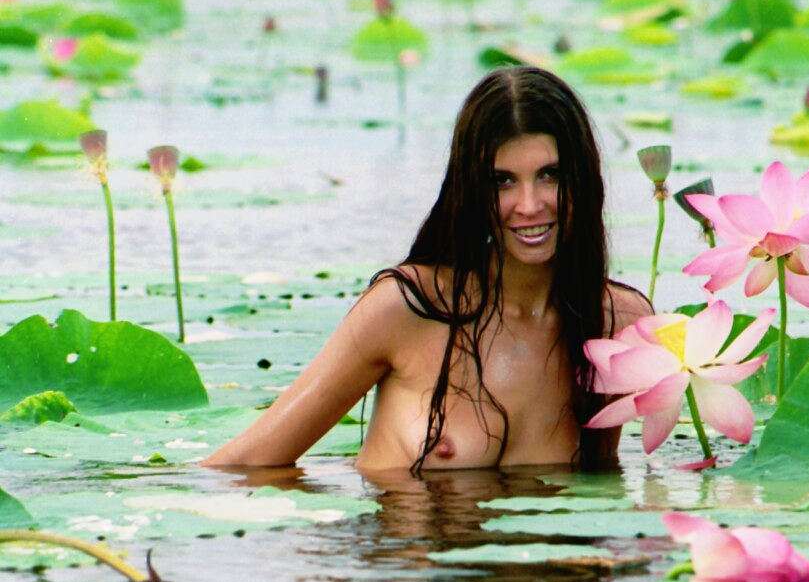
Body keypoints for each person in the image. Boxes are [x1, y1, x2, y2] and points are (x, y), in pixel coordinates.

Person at [202, 66, 653, 475]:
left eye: (550, 175)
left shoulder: (621, 325)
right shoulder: (404, 310)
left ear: (584, 179)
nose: (530, 205)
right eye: (503, 181)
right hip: (406, 540)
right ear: (471, 189)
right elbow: (246, 464)